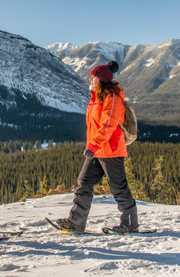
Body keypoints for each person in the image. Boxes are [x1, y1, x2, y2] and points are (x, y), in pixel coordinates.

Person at [54, 61, 139, 233]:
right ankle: (76, 221)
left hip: (111, 150)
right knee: (84, 182)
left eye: (93, 77)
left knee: (118, 187)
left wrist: (94, 145)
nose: (90, 79)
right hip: (97, 149)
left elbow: (108, 125)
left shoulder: (112, 98)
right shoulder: (96, 98)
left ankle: (130, 223)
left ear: (101, 79)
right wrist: (93, 146)